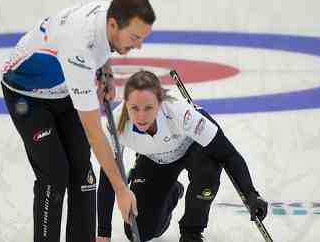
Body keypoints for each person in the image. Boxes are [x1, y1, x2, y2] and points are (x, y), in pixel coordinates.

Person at [0, 0, 155, 241]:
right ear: (113, 24)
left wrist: (106, 74)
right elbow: (95, 134)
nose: (139, 46)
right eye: (135, 38)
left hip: (64, 88)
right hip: (26, 94)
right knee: (54, 173)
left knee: (84, 175)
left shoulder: (111, 14)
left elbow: (103, 49)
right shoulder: (79, 47)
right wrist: (121, 190)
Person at [97, 71, 268, 242]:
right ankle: (172, 191)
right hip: (154, 158)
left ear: (160, 102)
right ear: (126, 104)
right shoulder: (116, 124)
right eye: (134, 108)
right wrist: (104, 233)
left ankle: (191, 231)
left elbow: (228, 154)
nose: (141, 116)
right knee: (138, 233)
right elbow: (109, 175)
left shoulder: (180, 113)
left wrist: (251, 193)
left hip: (191, 147)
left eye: (148, 108)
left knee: (209, 170)